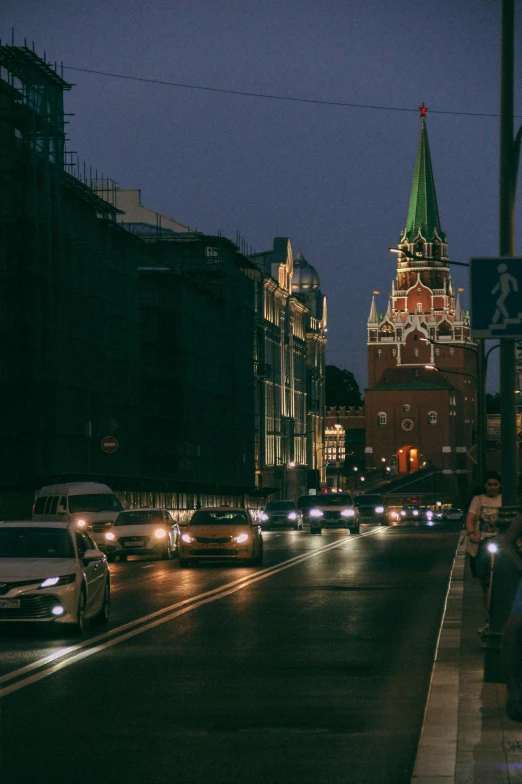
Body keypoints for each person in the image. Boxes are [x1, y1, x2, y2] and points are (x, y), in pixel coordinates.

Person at [464, 470, 502, 633]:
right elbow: (471, 518)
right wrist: (472, 534)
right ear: (485, 486)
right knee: (485, 580)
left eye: (495, 484)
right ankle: (489, 616)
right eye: (489, 484)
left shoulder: (504, 499)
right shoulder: (478, 500)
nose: (492, 487)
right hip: (484, 540)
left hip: (501, 541)